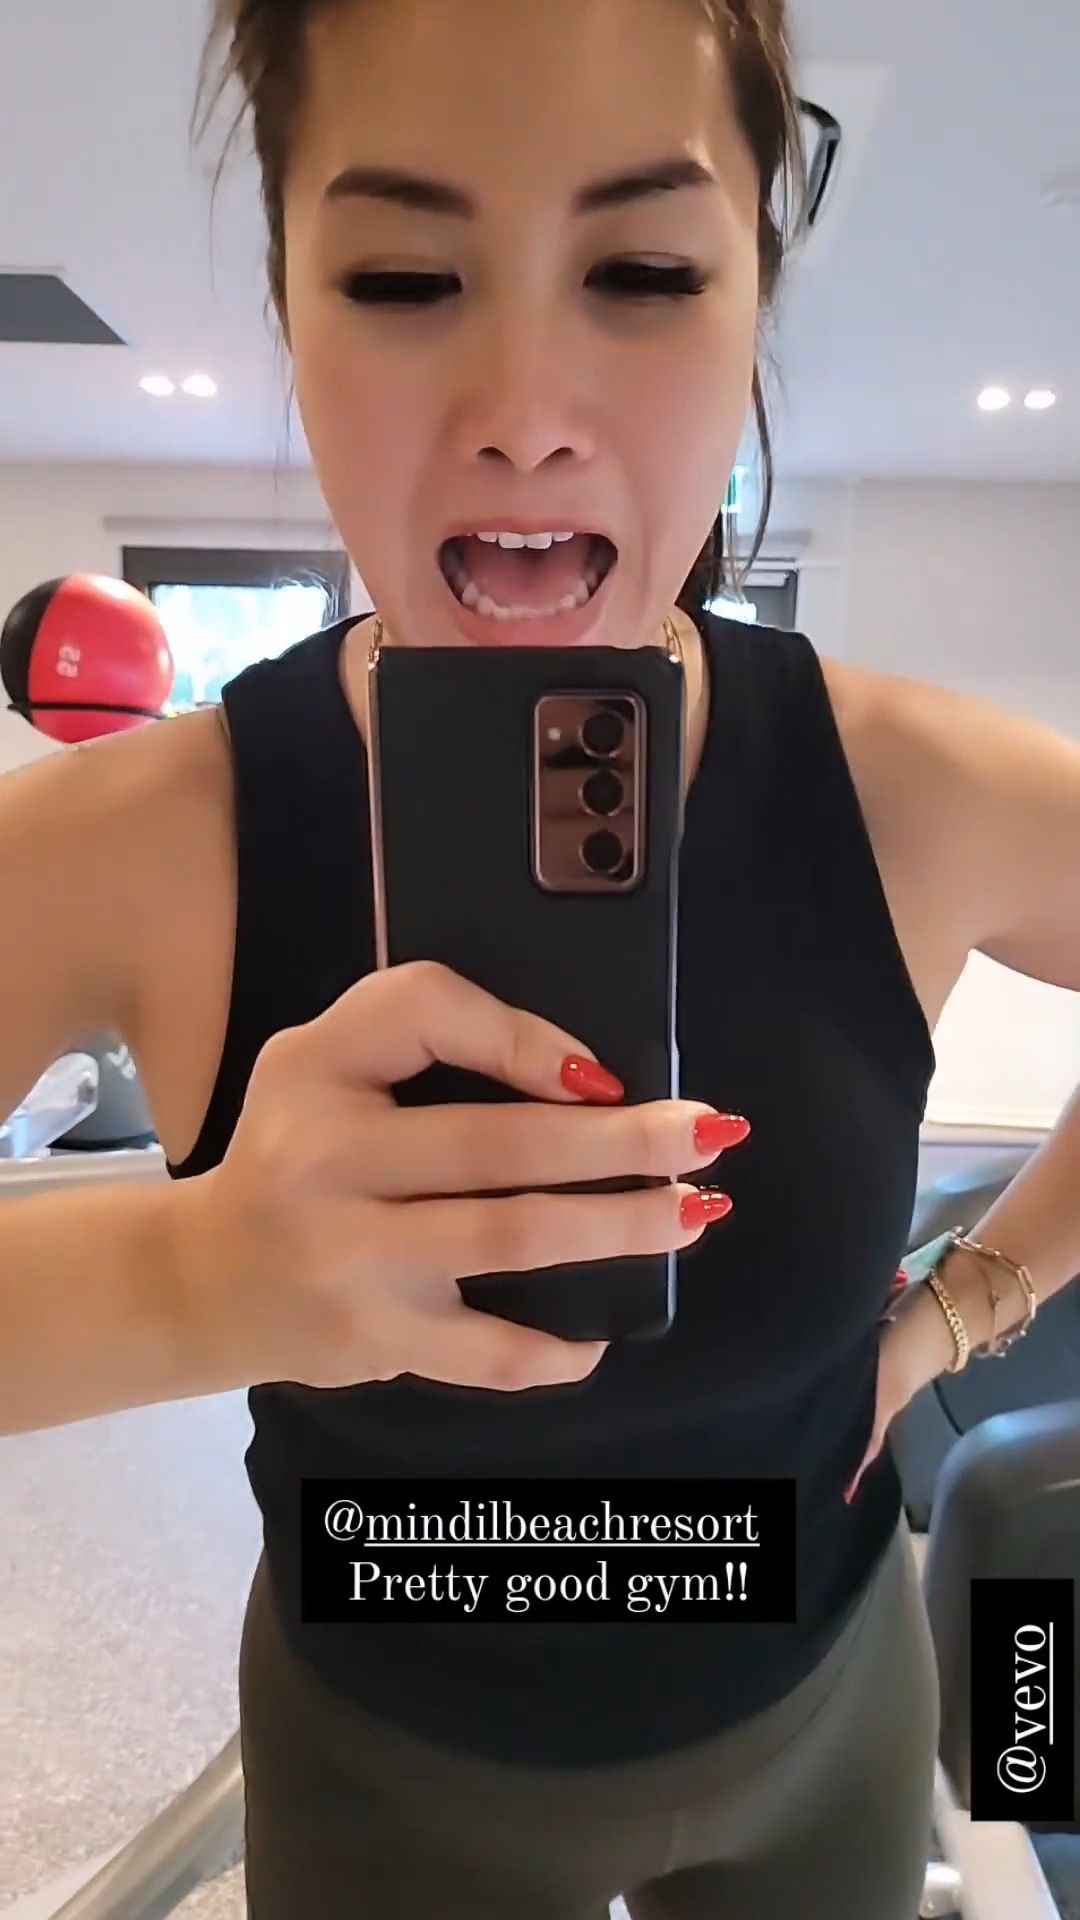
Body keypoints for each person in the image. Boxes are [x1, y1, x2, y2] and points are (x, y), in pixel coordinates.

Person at [4, 1, 1080, 1915]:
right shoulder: (127, 840)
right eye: (403, 277)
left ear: (756, 295)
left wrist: (968, 1303)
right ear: (288, 303)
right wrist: (186, 1275)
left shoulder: (915, 789)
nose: (522, 408)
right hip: (381, 1772)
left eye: (643, 273)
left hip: (820, 1727)